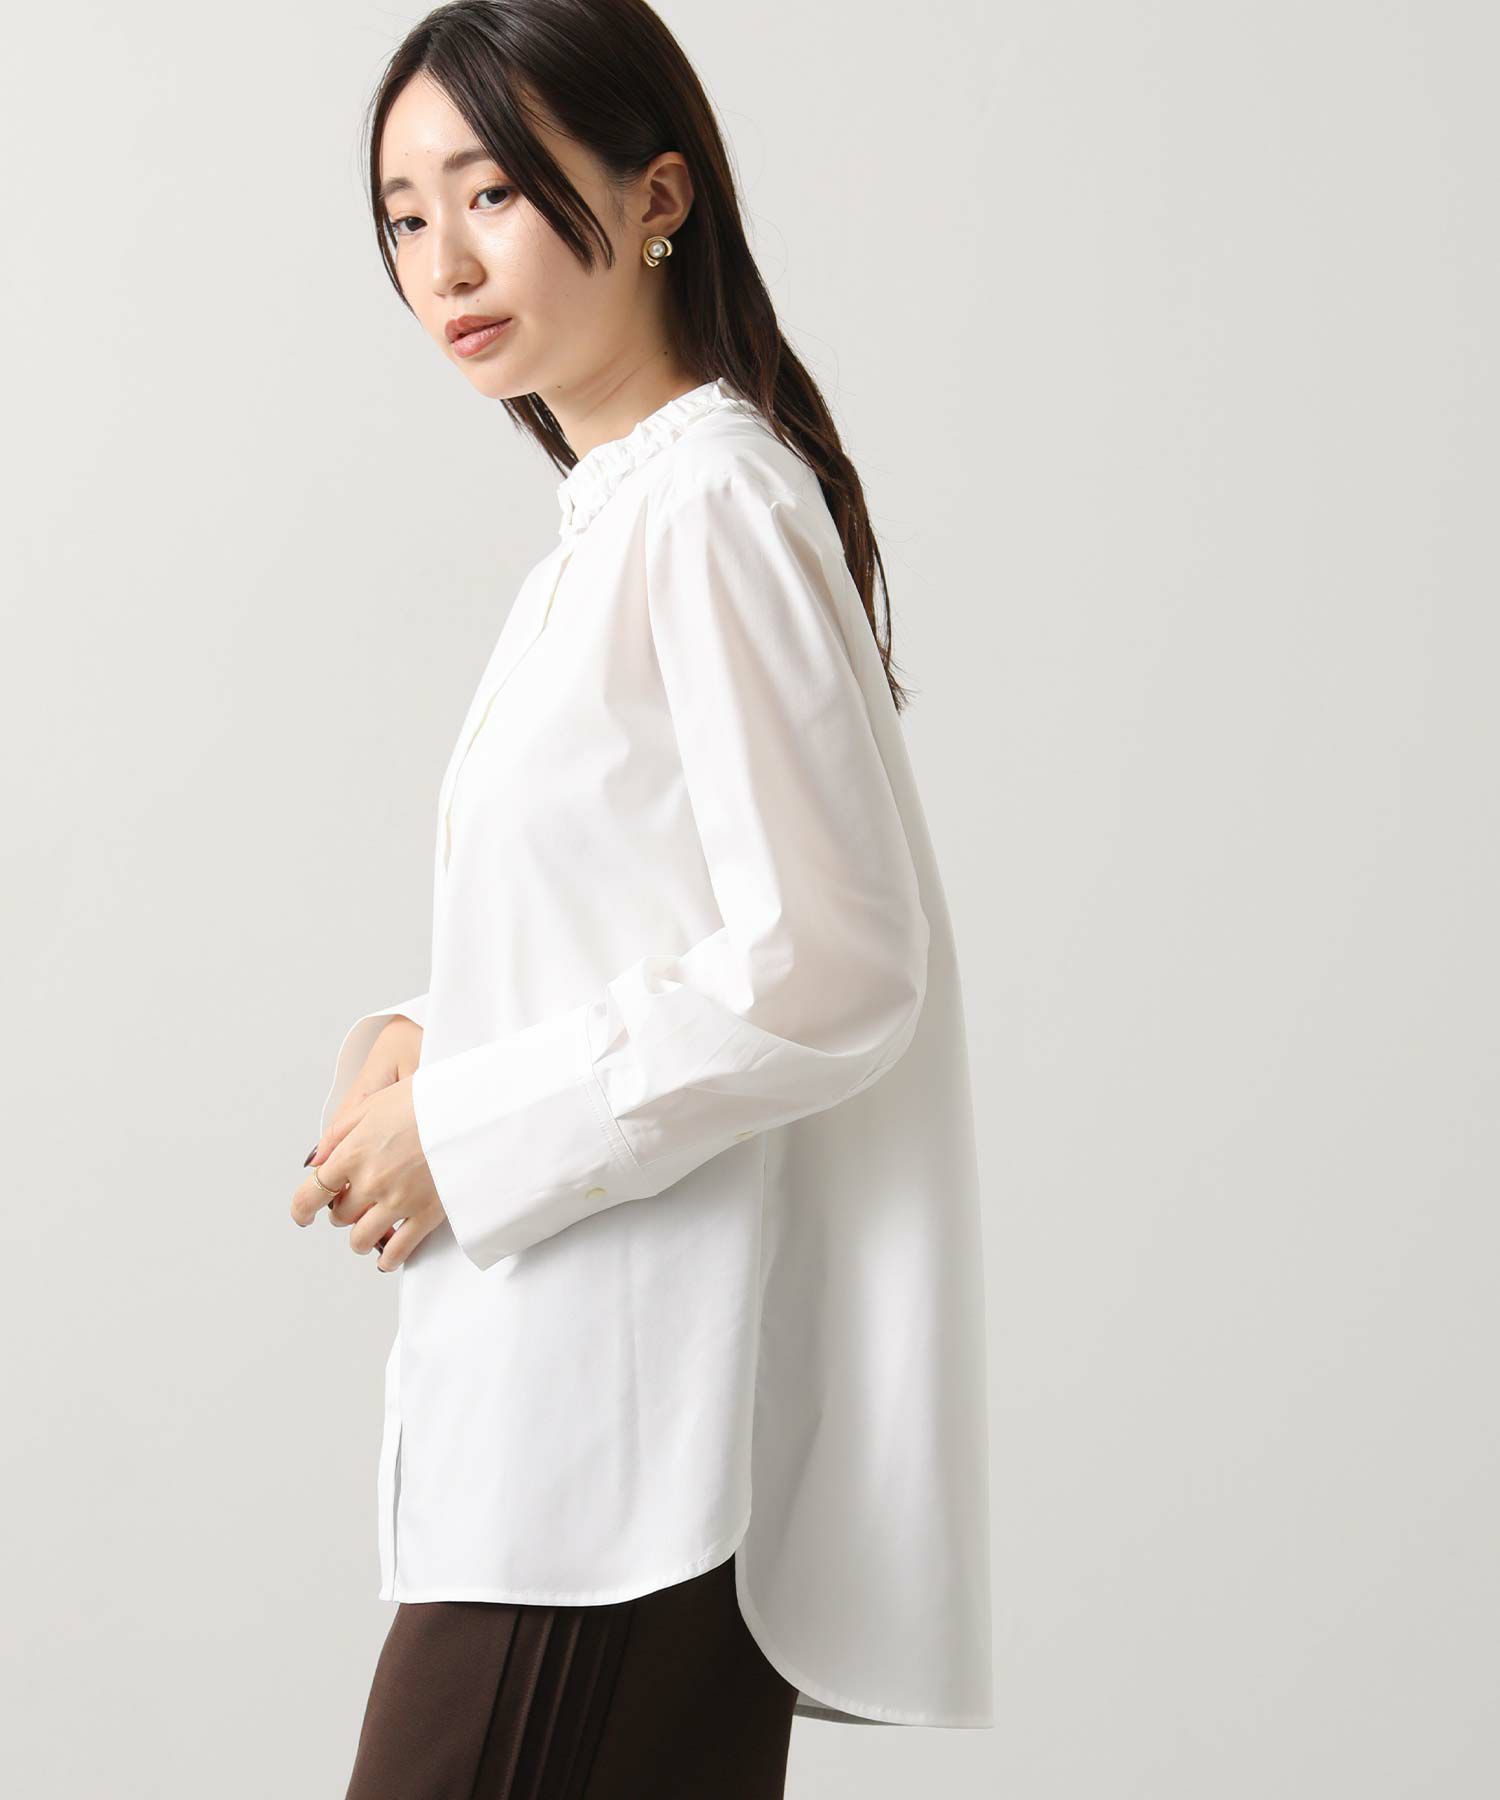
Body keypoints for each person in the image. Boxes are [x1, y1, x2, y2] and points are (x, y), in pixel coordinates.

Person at [288, 2, 993, 1793]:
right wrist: (425, 1034)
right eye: (403, 217)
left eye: (493, 193)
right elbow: (645, 915)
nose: (444, 264)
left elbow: (836, 960)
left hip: (612, 1474)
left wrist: (467, 1132)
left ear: (657, 195)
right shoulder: (621, 521)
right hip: (575, 1454)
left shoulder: (707, 506)